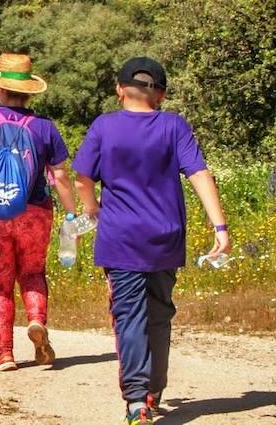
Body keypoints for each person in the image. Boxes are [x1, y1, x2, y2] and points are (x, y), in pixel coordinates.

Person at [74, 57, 231, 425]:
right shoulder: (173, 126)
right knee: (159, 314)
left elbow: (83, 177)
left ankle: (136, 402)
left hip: (120, 239)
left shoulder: (104, 127)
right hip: (165, 238)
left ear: (118, 89)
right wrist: (220, 228)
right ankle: (154, 391)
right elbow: (199, 174)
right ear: (159, 94)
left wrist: (93, 210)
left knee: (129, 317)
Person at [0, 52, 78, 372]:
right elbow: (60, 175)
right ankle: (36, 321)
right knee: (33, 272)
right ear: (28, 92)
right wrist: (72, 213)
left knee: (2, 280)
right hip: (35, 210)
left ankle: (4, 354)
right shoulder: (45, 127)